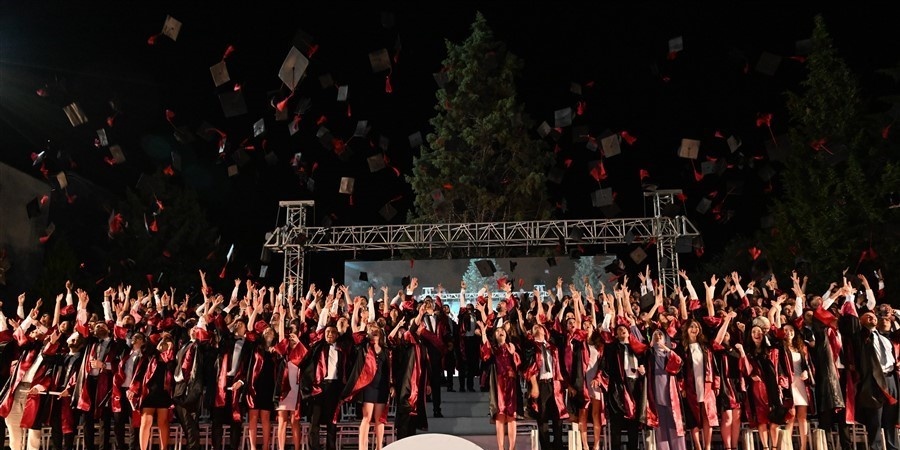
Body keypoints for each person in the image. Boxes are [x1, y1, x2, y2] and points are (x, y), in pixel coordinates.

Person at [524, 321, 568, 450]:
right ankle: (546, 447)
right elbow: (529, 367)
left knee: (558, 416)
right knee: (542, 417)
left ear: (545, 331)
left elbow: (559, 366)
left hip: (554, 383)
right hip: (541, 384)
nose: (538, 328)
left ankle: (558, 445)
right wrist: (534, 386)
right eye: (535, 327)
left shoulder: (552, 347)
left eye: (540, 327)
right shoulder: (530, 346)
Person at [479, 320, 521, 450]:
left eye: (502, 330)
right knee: (500, 416)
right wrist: (484, 333)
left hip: (512, 384)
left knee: (512, 417)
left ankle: (512, 447)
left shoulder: (512, 346)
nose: (500, 332)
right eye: (497, 331)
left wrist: (514, 353)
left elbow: (519, 365)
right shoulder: (494, 349)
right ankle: (501, 448)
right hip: (498, 385)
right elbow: (485, 354)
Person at [644, 329, 686, 450]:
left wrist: (667, 349)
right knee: (661, 424)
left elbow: (679, 363)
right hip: (655, 390)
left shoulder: (670, 354)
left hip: (670, 389)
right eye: (655, 335)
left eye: (660, 335)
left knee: (674, 422)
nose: (658, 336)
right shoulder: (649, 353)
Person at [132, 334, 175, 450]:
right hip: (149, 393)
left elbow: (172, 371)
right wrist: (160, 339)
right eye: (162, 342)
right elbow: (140, 373)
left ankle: (163, 448)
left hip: (163, 394)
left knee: (163, 423)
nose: (164, 345)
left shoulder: (171, 360)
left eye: (167, 343)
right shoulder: (150, 356)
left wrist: (169, 351)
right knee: (146, 422)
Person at [112, 332, 148, 450]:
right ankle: (119, 447)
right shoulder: (126, 354)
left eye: (138, 337)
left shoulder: (144, 357)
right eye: (133, 337)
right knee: (118, 421)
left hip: (135, 391)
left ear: (143, 342)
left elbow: (143, 375)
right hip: (121, 390)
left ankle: (133, 447)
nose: (135, 339)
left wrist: (134, 389)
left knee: (134, 423)